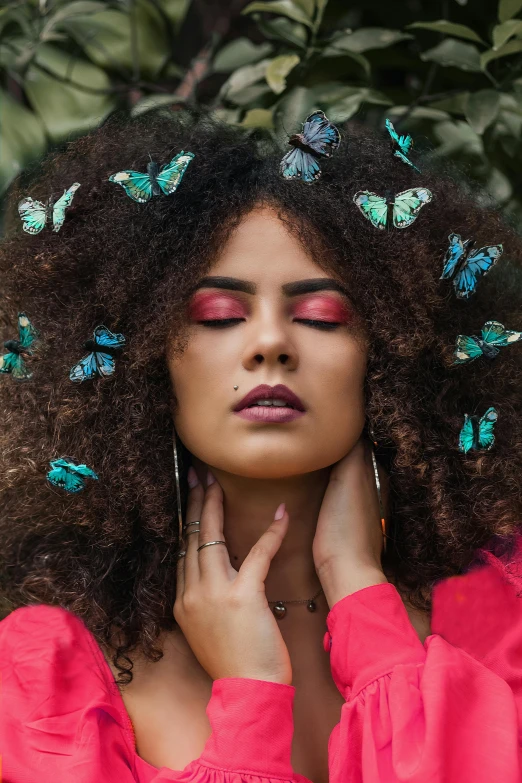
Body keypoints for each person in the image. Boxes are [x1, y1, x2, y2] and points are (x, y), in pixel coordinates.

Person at [0, 110, 521, 783]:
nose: (270, 342)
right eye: (218, 314)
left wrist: (365, 599)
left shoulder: (501, 614)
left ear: (393, 351)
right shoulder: (48, 673)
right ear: (145, 356)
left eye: (322, 314)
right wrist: (250, 696)